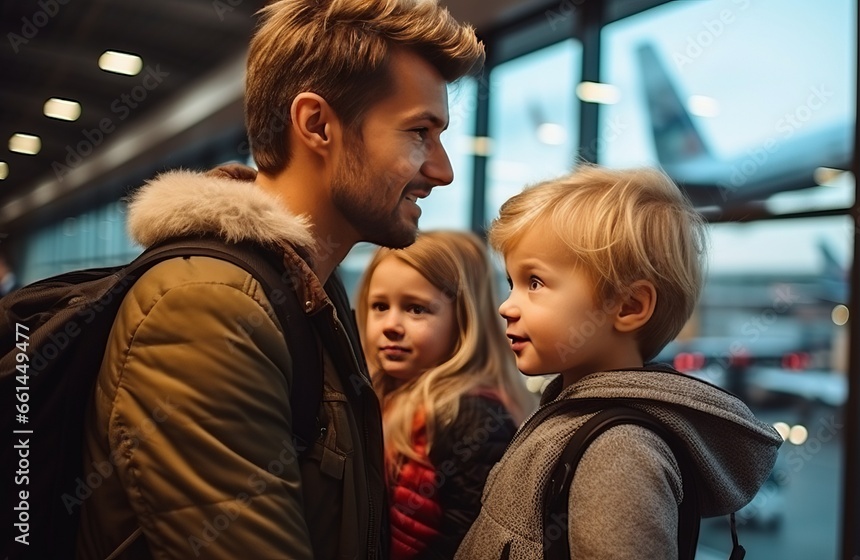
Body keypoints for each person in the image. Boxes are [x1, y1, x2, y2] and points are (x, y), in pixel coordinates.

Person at [75, 1, 485, 558]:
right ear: (317, 124)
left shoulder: (305, 289)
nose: (442, 170)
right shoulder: (207, 308)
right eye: (419, 133)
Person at [456, 166, 784, 559]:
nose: (506, 306)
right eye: (512, 282)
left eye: (535, 283)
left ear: (629, 306)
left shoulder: (620, 455)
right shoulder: (573, 415)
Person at [356, 231, 536, 560]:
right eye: (380, 306)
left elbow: (473, 537)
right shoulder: (374, 392)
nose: (391, 325)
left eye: (416, 309)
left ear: (464, 320)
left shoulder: (470, 412)